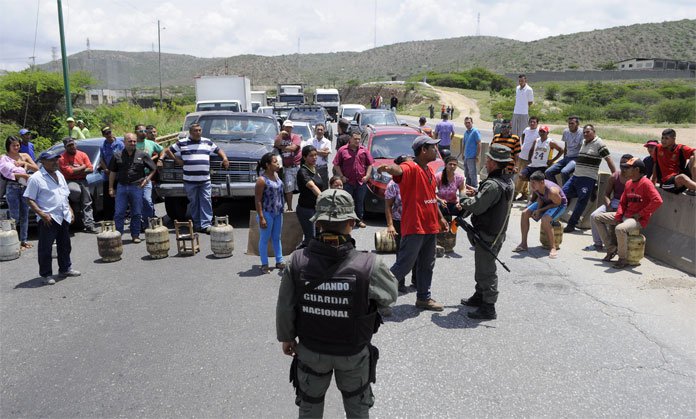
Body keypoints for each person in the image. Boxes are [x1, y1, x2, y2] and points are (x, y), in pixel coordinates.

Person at [276, 188, 397, 418]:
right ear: (351, 222)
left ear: (318, 223)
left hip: (311, 351)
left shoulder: (297, 261)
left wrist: (287, 338)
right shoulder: (370, 264)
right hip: (352, 353)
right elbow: (389, 297)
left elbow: (285, 305)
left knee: (309, 407)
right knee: (357, 410)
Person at [377, 135, 448, 309]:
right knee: (404, 265)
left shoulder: (429, 170)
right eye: (432, 147)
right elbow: (399, 170)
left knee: (427, 264)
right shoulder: (411, 166)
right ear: (423, 150)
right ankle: (377, 297)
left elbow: (431, 198)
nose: (435, 150)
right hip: (415, 226)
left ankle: (423, 297)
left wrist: (440, 218)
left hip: (430, 227)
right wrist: (387, 168)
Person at [459, 144, 514, 320]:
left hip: (488, 234)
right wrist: (478, 192)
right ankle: (480, 295)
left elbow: (477, 206)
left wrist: (463, 198)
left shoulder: (492, 185)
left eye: (489, 159)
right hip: (497, 232)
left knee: (486, 270)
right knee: (482, 266)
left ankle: (488, 306)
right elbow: (491, 200)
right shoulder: (507, 181)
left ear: (495, 163)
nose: (486, 161)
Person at [24, 150, 81, 285]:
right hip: (48, 219)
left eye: (56, 159)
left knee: (65, 245)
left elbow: (64, 195)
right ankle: (46, 274)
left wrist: (70, 210)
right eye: (51, 160)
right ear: (43, 162)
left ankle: (65, 268)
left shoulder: (59, 174)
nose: (55, 162)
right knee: (46, 248)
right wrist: (42, 214)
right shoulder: (36, 178)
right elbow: (29, 199)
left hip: (63, 216)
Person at [595, 158, 663, 269]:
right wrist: (618, 216)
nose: (625, 170)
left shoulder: (646, 183)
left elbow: (658, 200)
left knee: (620, 229)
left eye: (628, 168)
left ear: (636, 170)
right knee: (597, 218)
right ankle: (611, 248)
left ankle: (622, 258)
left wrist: (641, 213)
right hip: (625, 215)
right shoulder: (629, 183)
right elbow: (622, 202)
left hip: (637, 219)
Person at [163, 123, 229, 233]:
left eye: (199, 130)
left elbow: (218, 150)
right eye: (195, 130)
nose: (198, 132)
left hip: (205, 180)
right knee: (193, 203)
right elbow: (167, 150)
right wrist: (177, 160)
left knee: (206, 201)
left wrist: (225, 158)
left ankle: (206, 225)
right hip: (189, 180)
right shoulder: (182, 142)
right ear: (190, 132)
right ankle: (197, 224)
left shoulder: (207, 142)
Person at [561, 124, 617, 233]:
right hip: (576, 176)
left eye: (588, 132)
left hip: (588, 177)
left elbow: (608, 159)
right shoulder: (584, 142)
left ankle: (572, 224)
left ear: (594, 132)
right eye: (584, 132)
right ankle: (591, 191)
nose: (585, 134)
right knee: (562, 194)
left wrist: (615, 175)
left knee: (582, 201)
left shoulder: (599, 144)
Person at [108, 133, 157, 243]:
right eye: (130, 141)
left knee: (136, 212)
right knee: (119, 212)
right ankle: (118, 236)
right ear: (124, 142)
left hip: (137, 187)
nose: (133, 143)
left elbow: (153, 169)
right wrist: (111, 188)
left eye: (134, 141)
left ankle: (135, 235)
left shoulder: (143, 155)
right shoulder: (117, 155)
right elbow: (112, 172)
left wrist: (146, 180)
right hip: (121, 187)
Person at [513, 171, 567, 259]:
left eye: (534, 183)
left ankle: (553, 248)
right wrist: (537, 210)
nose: (532, 185)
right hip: (546, 202)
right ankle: (523, 244)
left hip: (559, 205)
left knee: (545, 220)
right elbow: (540, 197)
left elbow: (557, 203)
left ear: (542, 182)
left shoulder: (552, 191)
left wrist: (540, 210)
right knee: (525, 213)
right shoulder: (536, 187)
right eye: (531, 183)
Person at [585, 154, 632, 252]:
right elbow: (606, 194)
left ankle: (616, 246)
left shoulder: (634, 179)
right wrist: (609, 205)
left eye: (626, 164)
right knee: (594, 215)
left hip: (627, 205)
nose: (623, 166)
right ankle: (598, 243)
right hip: (614, 202)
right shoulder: (614, 176)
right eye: (621, 163)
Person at [384, 155, 417, 288]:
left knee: (417, 252)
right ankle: (399, 281)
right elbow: (388, 206)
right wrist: (390, 225)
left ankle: (417, 281)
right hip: (399, 221)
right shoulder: (393, 184)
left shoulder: (415, 179)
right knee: (402, 252)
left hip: (415, 221)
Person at [1, 136, 39, 250]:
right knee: (14, 216)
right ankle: (12, 241)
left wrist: (24, 163)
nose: (16, 147)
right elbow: (5, 173)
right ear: (8, 146)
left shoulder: (24, 156)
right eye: (14, 145)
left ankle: (24, 240)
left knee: (25, 215)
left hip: (25, 187)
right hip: (12, 187)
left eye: (18, 145)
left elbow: (36, 168)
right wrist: (22, 175)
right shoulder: (4, 158)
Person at [332, 129, 374, 228]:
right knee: (346, 202)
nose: (357, 141)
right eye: (355, 139)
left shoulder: (364, 150)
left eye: (359, 139)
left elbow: (370, 164)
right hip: (347, 182)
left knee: (359, 202)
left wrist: (367, 176)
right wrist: (341, 176)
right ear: (350, 139)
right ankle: (346, 220)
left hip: (360, 182)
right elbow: (336, 165)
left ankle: (359, 220)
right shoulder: (342, 150)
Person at [58, 137, 98, 233]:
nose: (72, 147)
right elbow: (69, 172)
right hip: (69, 181)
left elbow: (91, 169)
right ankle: (75, 220)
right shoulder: (62, 158)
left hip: (83, 181)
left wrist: (77, 169)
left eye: (73, 144)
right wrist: (83, 167)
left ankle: (89, 225)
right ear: (65, 147)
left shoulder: (82, 154)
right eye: (69, 146)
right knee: (75, 192)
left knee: (87, 203)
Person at [254, 153, 285, 274]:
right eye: (275, 162)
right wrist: (261, 217)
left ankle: (279, 261)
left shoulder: (276, 175)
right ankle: (264, 264)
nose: (278, 164)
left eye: (278, 162)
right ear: (267, 165)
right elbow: (257, 200)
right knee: (265, 239)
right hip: (267, 213)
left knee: (277, 238)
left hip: (278, 213)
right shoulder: (262, 180)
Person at [517, 126, 564, 195]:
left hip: (542, 166)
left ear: (547, 133)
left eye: (543, 131)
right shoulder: (536, 140)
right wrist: (530, 160)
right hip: (533, 164)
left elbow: (561, 150)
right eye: (540, 131)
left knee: (536, 183)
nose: (541, 133)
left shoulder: (550, 142)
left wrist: (552, 160)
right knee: (521, 175)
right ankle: (534, 183)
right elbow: (531, 150)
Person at [296, 145, 326, 248]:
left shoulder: (314, 169)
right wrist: (325, 199)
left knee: (318, 236)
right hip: (306, 210)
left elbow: (321, 186)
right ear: (304, 157)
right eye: (311, 156)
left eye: (315, 155)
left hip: (316, 208)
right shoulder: (303, 172)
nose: (314, 158)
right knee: (310, 238)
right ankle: (304, 261)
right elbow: (312, 187)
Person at [651, 128, 696, 195]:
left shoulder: (680, 148)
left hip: (681, 179)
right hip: (667, 183)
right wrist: (653, 182)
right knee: (682, 177)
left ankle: (692, 188)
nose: (663, 141)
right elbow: (655, 165)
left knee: (693, 158)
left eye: (666, 138)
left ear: (673, 139)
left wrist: (695, 165)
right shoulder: (658, 148)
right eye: (662, 138)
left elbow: (694, 151)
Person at [135, 124, 164, 223]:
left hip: (147, 176)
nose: (143, 133)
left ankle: (149, 221)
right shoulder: (131, 144)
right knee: (136, 201)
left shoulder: (151, 143)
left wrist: (160, 159)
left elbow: (163, 150)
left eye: (144, 131)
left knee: (147, 199)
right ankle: (139, 223)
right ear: (135, 132)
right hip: (133, 177)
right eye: (140, 131)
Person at [545, 116, 584, 185]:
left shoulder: (581, 133)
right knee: (548, 172)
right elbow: (566, 146)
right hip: (567, 157)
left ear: (577, 124)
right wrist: (564, 158)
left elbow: (583, 148)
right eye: (569, 123)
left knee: (564, 172)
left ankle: (566, 192)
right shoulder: (566, 131)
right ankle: (557, 190)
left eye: (572, 123)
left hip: (576, 159)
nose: (570, 125)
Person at [275, 120, 302, 211]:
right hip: (287, 168)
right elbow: (276, 144)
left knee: (301, 188)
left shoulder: (295, 137)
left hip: (297, 167)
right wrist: (281, 135)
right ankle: (290, 208)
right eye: (287, 127)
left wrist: (281, 147)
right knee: (288, 188)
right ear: (283, 127)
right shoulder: (280, 137)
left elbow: (293, 148)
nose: (288, 129)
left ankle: (300, 207)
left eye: (290, 127)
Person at [98, 126, 125, 221]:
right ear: (103, 135)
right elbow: (101, 159)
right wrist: (105, 169)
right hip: (107, 175)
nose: (109, 135)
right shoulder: (102, 146)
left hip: (118, 175)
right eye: (106, 133)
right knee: (108, 198)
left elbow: (124, 158)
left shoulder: (120, 144)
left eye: (110, 132)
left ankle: (123, 216)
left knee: (120, 197)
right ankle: (108, 219)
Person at [515, 116, 540, 200]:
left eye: (534, 122)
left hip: (530, 158)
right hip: (522, 155)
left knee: (522, 176)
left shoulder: (538, 132)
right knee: (522, 176)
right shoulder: (526, 129)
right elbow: (523, 136)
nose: (532, 123)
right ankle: (524, 193)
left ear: (537, 123)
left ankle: (515, 193)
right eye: (531, 122)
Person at [459, 116, 481, 188]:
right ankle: (468, 186)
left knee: (472, 173)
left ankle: (474, 187)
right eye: (466, 123)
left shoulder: (475, 131)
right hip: (466, 156)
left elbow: (479, 143)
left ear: (472, 122)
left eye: (469, 122)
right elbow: (464, 143)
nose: (467, 124)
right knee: (466, 173)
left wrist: (477, 155)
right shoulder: (466, 132)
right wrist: (463, 154)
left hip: (472, 156)